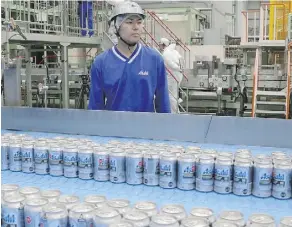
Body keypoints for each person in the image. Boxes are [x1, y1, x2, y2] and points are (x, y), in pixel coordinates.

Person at [88, 1, 171, 113]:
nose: (136, 27)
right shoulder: (101, 63)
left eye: (139, 22)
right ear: (115, 27)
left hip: (145, 128)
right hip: (113, 128)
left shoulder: (154, 59)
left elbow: (163, 103)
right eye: (129, 22)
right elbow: (95, 107)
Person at [160, 38, 184, 113]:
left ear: (163, 45)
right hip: (178, 75)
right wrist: (181, 68)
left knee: (170, 94)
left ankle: (174, 111)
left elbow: (170, 64)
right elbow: (181, 59)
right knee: (174, 93)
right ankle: (176, 110)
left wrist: (178, 68)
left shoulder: (166, 53)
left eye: (160, 45)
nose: (159, 46)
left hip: (172, 76)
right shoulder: (174, 51)